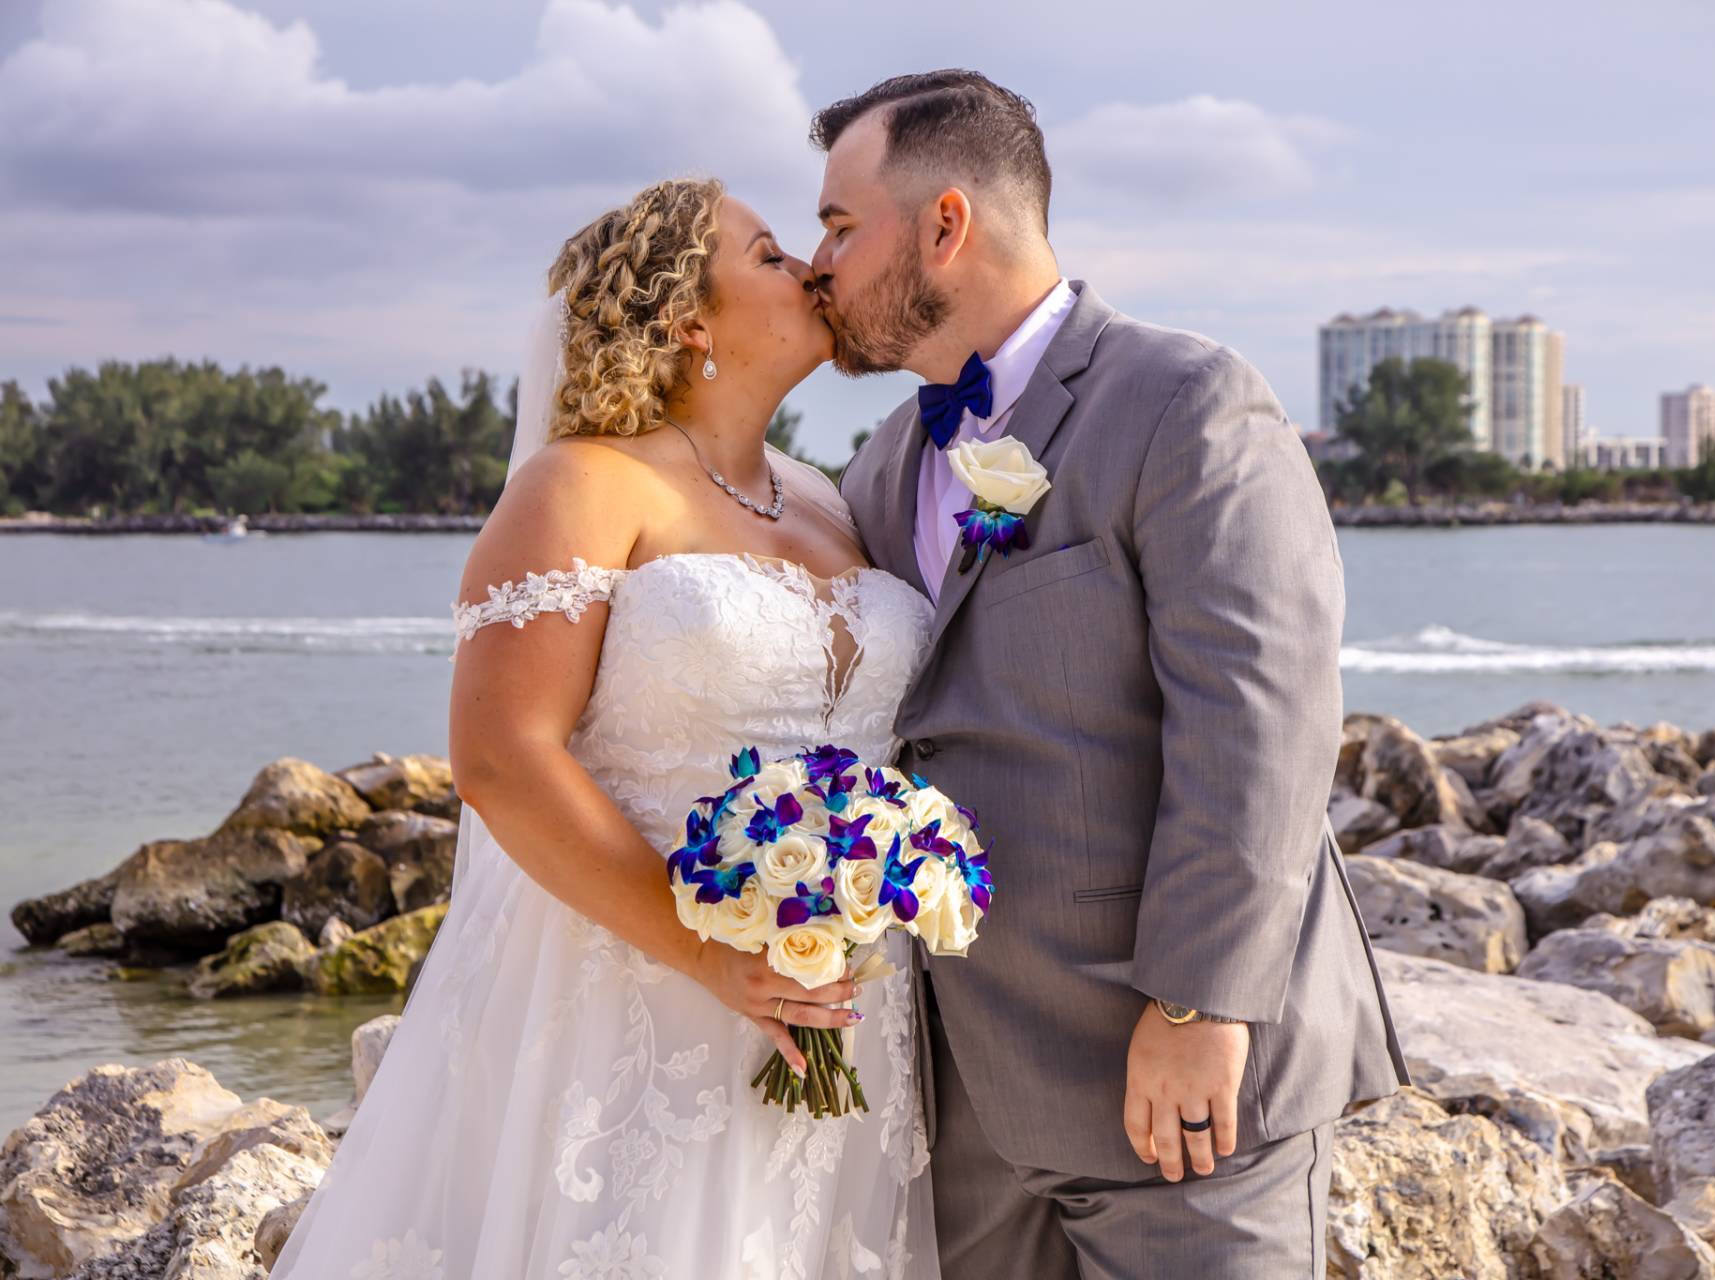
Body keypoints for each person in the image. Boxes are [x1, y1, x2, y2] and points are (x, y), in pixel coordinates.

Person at [269, 180, 942, 1279]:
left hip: (845, 994)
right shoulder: (581, 483)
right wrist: (710, 954)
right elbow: (500, 757)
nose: (811, 269)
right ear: (689, 318)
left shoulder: (828, 497)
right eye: (771, 254)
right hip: (646, 993)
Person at [815, 70, 1410, 1278]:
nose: (819, 263)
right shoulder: (881, 467)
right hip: (966, 1097)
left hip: (1183, 1085)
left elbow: (1261, 722)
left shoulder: (1185, 400)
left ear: (946, 223)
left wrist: (1199, 1007)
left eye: (839, 226)